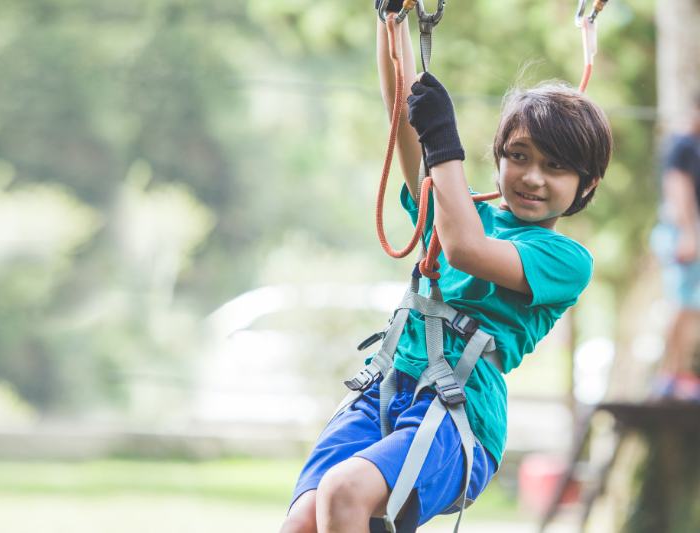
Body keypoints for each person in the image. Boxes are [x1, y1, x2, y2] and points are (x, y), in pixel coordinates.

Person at [279, 8, 613, 533]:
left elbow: (466, 250)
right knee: (302, 520)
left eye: (555, 166)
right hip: (387, 387)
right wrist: (391, 22)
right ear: (498, 158)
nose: (532, 177)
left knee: (344, 491)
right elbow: (404, 117)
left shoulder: (565, 260)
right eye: (519, 156)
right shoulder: (461, 212)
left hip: (459, 415)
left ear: (586, 185)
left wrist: (442, 138)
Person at [649, 93, 700, 401]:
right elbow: (677, 189)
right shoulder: (683, 144)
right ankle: (668, 375)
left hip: (690, 231)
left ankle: (681, 372)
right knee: (680, 305)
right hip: (682, 231)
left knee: (691, 307)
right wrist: (687, 234)